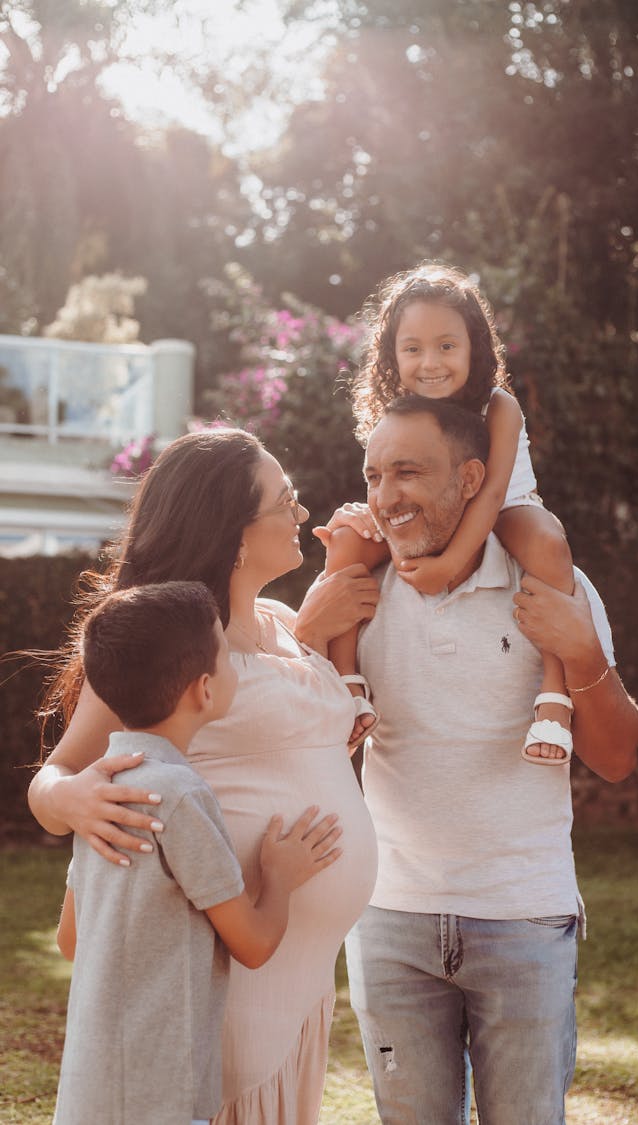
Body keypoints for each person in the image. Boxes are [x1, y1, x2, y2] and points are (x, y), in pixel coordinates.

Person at [27, 427, 380, 1125]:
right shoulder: (175, 649)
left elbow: (271, 741)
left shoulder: (282, 625)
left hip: (300, 983)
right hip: (223, 993)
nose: (301, 513)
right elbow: (56, 776)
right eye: (286, 500)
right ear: (236, 535)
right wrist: (73, 795)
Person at [316, 396, 638, 1125]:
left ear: (471, 477)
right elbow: (284, 727)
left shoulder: (552, 582)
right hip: (390, 920)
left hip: (523, 919)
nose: (385, 496)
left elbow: (616, 757)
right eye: (374, 475)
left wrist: (584, 651)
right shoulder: (356, 592)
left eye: (408, 472)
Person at [54, 580, 342, 1125]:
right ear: (204, 691)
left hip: (88, 1096)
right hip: (164, 1097)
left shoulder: (102, 787)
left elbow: (71, 939)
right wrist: (278, 876)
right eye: (228, 658)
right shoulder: (181, 795)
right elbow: (253, 944)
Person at [326, 262, 576, 763]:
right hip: (423, 513)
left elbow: (488, 496)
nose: (430, 362)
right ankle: (346, 682)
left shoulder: (499, 405)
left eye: (446, 345)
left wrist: (443, 566)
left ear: (473, 348)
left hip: (504, 507)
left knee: (548, 541)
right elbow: (386, 482)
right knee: (347, 538)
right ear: (392, 356)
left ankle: (555, 698)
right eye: (412, 348)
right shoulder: (395, 411)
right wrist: (368, 515)